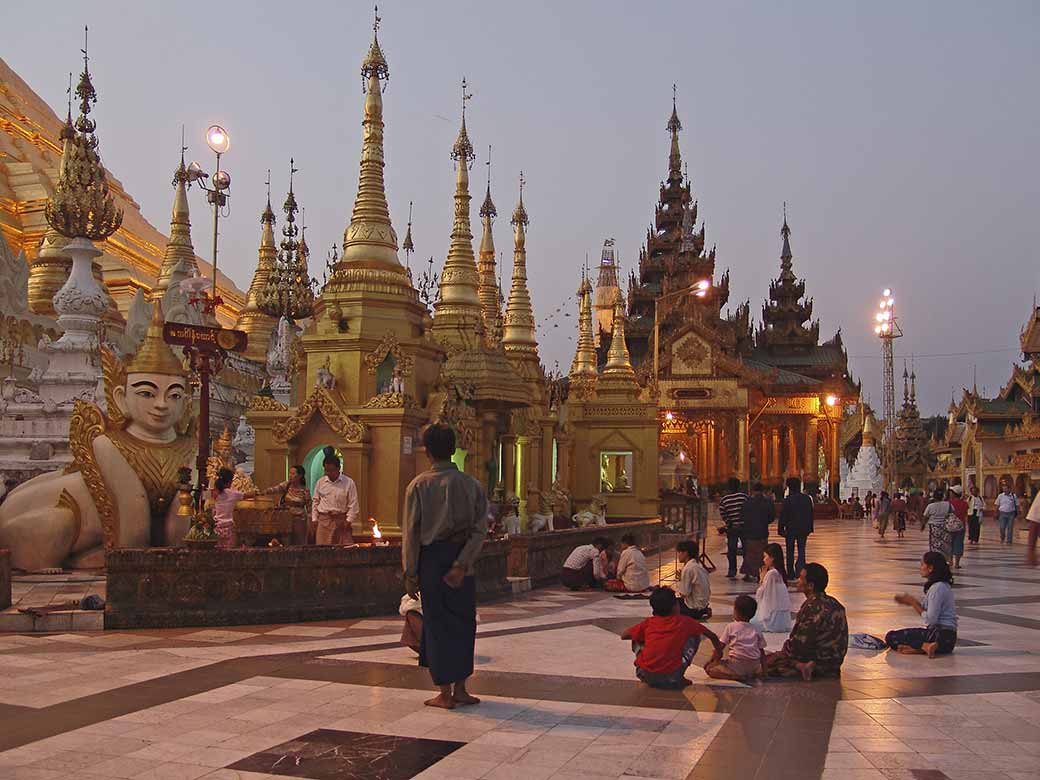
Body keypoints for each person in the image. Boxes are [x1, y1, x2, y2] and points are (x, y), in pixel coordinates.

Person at [402, 423, 488, 710]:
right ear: (453, 450)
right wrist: (463, 564)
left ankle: (444, 693)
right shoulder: (472, 485)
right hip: (462, 561)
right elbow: (479, 531)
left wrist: (410, 573)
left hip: (432, 561)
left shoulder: (418, 485)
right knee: (464, 624)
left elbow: (411, 534)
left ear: (427, 451)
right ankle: (462, 688)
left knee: (437, 625)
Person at [621, 587, 722, 689]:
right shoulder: (686, 622)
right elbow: (712, 636)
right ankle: (680, 677)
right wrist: (718, 653)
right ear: (675, 606)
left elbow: (624, 635)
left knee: (636, 636)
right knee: (695, 636)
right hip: (672, 676)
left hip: (643, 673)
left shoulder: (649, 622)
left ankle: (651, 673)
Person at [764, 563, 848, 681]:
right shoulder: (835, 604)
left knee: (765, 665)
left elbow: (799, 645)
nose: (798, 581)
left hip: (817, 663)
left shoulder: (812, 607)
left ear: (810, 586)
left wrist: (780, 655)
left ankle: (803, 668)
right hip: (834, 663)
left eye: (801, 578)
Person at [886, 551, 958, 658]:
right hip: (947, 641)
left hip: (938, 636)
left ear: (930, 568)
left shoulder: (937, 588)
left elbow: (931, 619)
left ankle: (924, 646)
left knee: (891, 637)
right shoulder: (942, 586)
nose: (920, 567)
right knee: (908, 636)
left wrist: (913, 603)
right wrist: (911, 602)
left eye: (922, 564)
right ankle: (920, 648)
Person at [705, 595, 767, 681]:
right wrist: (764, 672)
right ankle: (751, 674)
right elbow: (762, 653)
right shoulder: (756, 629)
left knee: (710, 670)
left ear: (737, 612)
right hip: (754, 665)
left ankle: (734, 676)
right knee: (751, 668)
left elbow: (720, 647)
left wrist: (712, 660)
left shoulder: (731, 627)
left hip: (737, 664)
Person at [311, 450, 359, 545]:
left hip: (341, 521)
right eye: (326, 470)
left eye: (331, 470)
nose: (328, 473)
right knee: (322, 550)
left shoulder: (349, 482)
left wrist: (348, 520)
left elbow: (353, 504)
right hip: (324, 520)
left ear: (339, 468)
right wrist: (314, 519)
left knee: (343, 550)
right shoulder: (320, 482)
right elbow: (315, 501)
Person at [259, 464, 311, 544]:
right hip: (285, 518)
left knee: (298, 541)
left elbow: (309, 507)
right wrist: (264, 492)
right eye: (290, 473)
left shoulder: (305, 491)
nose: (290, 476)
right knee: (285, 541)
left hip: (299, 520)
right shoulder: (286, 485)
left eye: (293, 474)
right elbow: (275, 489)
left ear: (300, 476)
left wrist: (311, 521)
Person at [210, 468, 256, 548]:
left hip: (217, 528)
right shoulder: (232, 493)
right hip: (229, 529)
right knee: (229, 554)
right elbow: (248, 495)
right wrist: (256, 492)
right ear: (230, 481)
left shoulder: (216, 493)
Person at [752, 542, 793, 633]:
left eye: (765, 556)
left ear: (772, 558)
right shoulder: (779, 572)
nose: (764, 560)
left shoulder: (771, 574)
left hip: (772, 618)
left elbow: (762, 594)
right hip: (781, 619)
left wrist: (762, 579)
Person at [778, 477, 813, 578]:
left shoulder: (788, 500)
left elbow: (783, 515)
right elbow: (810, 514)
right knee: (801, 550)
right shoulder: (806, 499)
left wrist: (781, 529)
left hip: (791, 529)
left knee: (790, 551)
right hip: (803, 529)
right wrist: (809, 528)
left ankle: (790, 572)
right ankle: (800, 570)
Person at [739, 483, 773, 582]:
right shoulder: (767, 502)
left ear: (753, 490)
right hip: (762, 531)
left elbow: (742, 516)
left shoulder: (747, 502)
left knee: (750, 553)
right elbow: (771, 517)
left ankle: (749, 573)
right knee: (762, 553)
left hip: (750, 532)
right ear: (762, 491)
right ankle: (760, 572)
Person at [718, 478, 748, 579]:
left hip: (732, 528)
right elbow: (748, 509)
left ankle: (732, 570)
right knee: (746, 549)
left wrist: (729, 523)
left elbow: (723, 513)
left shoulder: (724, 500)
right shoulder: (744, 497)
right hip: (744, 526)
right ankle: (747, 571)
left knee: (731, 550)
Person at [675, 539, 711, 619]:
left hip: (693, 608)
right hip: (703, 605)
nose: (678, 555)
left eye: (680, 552)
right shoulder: (697, 566)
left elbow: (684, 593)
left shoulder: (688, 569)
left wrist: (680, 580)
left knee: (665, 603)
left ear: (686, 553)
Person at [921, 488, 953, 560]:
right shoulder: (948, 504)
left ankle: (935, 559)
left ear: (934, 497)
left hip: (934, 528)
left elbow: (925, 516)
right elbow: (953, 513)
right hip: (945, 527)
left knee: (934, 544)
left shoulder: (931, 506)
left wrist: (923, 525)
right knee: (945, 544)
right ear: (942, 497)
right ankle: (945, 558)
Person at [947, 485, 968, 568]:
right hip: (961, 526)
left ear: (954, 494)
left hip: (949, 526)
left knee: (949, 544)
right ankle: (957, 563)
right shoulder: (964, 503)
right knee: (959, 544)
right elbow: (965, 514)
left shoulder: (949, 503)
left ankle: (950, 561)